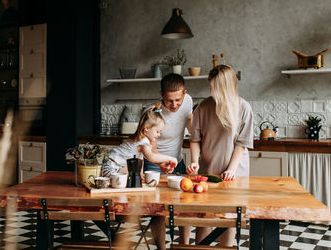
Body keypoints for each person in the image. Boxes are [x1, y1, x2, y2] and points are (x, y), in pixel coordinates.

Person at [187, 64, 254, 247]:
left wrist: (231, 170)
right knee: (204, 216)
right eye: (210, 86)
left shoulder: (243, 108)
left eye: (215, 87)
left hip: (234, 173)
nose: (212, 91)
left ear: (227, 86)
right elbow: (195, 139)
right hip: (207, 171)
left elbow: (241, 144)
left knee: (229, 218)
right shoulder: (203, 106)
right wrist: (194, 161)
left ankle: (226, 247)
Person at [143, 73, 193, 249]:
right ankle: (161, 248)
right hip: (153, 163)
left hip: (177, 161)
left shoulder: (188, 101)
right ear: (161, 94)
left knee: (186, 204)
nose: (174, 105)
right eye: (170, 100)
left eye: (178, 100)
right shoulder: (152, 113)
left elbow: (190, 126)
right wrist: (161, 163)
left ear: (185, 93)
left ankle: (184, 245)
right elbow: (152, 149)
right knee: (157, 210)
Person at [101, 102, 177, 177]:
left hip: (108, 165)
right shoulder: (143, 142)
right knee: (134, 175)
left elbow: (142, 159)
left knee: (137, 174)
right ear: (147, 128)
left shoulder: (140, 139)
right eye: (157, 131)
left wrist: (161, 163)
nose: (159, 135)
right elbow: (151, 157)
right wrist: (171, 158)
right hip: (111, 168)